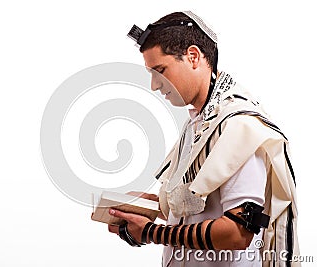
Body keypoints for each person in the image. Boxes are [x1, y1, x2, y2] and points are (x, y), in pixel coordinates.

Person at [107, 11, 300, 267]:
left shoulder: (238, 128)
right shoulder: (198, 124)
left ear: (193, 56)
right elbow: (196, 207)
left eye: (160, 70)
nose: (154, 84)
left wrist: (151, 233)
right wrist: (143, 208)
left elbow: (237, 233)